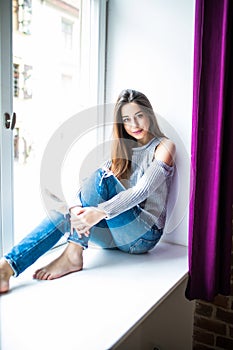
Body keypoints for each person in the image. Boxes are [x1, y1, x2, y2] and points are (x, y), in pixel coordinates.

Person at [0, 89, 175, 293]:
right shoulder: (122, 149)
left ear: (149, 115)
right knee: (66, 213)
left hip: (144, 235)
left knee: (102, 177)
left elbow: (142, 190)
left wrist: (100, 211)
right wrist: (75, 208)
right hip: (115, 236)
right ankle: (6, 269)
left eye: (139, 116)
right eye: (127, 120)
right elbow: (88, 185)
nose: (134, 125)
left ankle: (73, 253)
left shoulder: (164, 146)